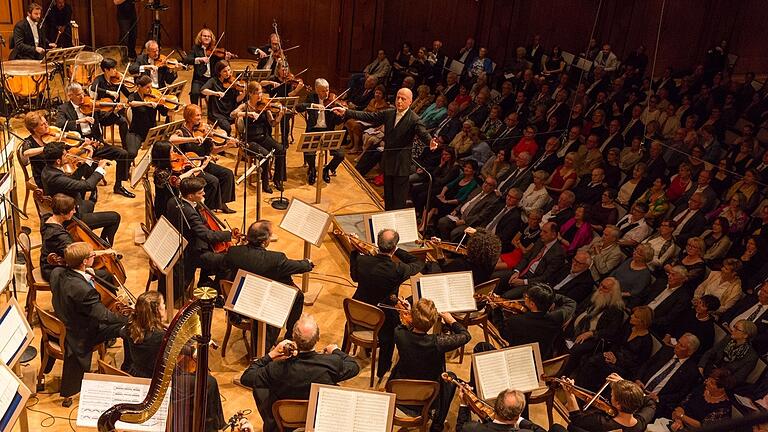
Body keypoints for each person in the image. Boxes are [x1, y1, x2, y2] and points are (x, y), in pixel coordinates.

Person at [240, 315, 360, 432]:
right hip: (318, 417)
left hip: (287, 420)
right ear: (317, 338)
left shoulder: (276, 368)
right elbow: (354, 366)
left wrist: (272, 355)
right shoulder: (332, 363)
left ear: (293, 338)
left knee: (262, 387)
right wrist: (336, 350)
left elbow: (246, 377)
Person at [333, 88, 439, 210]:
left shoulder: (414, 119)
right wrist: (346, 112)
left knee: (398, 201)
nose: (399, 101)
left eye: (403, 99)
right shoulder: (389, 113)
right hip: (388, 161)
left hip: (401, 166)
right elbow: (369, 116)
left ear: (410, 101)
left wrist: (430, 141)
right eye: (398, 97)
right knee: (388, 198)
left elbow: (423, 133)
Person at [50, 242, 128, 406]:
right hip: (83, 332)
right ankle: (128, 369)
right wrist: (130, 318)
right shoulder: (84, 291)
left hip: (68, 318)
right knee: (130, 328)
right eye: (93, 255)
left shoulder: (57, 272)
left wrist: (87, 274)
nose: (95, 257)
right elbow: (104, 316)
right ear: (85, 261)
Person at [349, 228, 424, 381]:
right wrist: (397, 250)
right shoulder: (398, 269)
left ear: (378, 243)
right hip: (382, 316)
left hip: (358, 311)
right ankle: (382, 369)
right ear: (394, 247)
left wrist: (354, 251)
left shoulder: (362, 260)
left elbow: (355, 278)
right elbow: (418, 263)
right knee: (392, 335)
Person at [225, 220, 312, 350]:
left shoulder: (233, 252)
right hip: (260, 305)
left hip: (238, 303)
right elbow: (298, 266)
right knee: (298, 295)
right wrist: (308, 263)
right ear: (265, 241)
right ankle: (289, 336)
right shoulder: (276, 259)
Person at [390, 298, 471, 432]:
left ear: (412, 317)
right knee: (451, 378)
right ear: (433, 322)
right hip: (428, 395)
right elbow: (466, 336)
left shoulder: (399, 334)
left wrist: (410, 312)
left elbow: (407, 326)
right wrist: (451, 320)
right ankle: (437, 425)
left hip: (401, 389)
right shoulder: (439, 342)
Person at [55, 82, 135, 198]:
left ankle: (118, 186)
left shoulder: (91, 105)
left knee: (122, 154)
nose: (82, 97)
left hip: (96, 142)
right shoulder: (64, 108)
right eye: (78, 95)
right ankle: (90, 189)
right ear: (70, 95)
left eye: (82, 93)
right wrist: (80, 121)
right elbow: (60, 124)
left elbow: (105, 120)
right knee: (84, 165)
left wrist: (115, 112)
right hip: (79, 145)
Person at [164, 176, 232, 301]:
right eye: (201, 193)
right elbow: (208, 235)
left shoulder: (173, 201)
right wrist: (229, 234)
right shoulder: (189, 213)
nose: (204, 194)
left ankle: (204, 282)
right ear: (190, 196)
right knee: (228, 261)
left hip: (180, 245)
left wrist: (198, 205)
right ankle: (212, 293)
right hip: (191, 253)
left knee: (215, 254)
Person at [40, 143, 121, 246]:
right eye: (65, 155)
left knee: (90, 204)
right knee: (115, 217)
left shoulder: (48, 169)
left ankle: (87, 236)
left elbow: (71, 180)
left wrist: (88, 159)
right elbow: (88, 185)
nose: (68, 155)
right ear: (58, 161)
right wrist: (100, 169)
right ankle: (105, 247)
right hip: (69, 217)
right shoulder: (55, 178)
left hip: (67, 206)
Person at [169, 104, 236, 213]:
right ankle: (206, 209)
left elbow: (213, 150)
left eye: (200, 115)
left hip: (204, 163)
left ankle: (222, 203)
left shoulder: (202, 130)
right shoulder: (181, 131)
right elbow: (172, 139)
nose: (200, 118)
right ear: (189, 117)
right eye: (197, 115)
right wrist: (192, 139)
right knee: (213, 181)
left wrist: (226, 146)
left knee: (227, 174)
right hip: (191, 166)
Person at [574, 306, 654, 391]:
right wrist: (611, 353)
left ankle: (583, 392)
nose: (631, 316)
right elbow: (616, 342)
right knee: (590, 360)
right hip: (613, 356)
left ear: (642, 322)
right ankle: (577, 388)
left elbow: (638, 363)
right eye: (633, 314)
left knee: (595, 364)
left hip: (625, 367)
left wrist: (617, 361)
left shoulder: (647, 341)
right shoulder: (629, 327)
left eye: (635, 316)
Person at [492, 283, 576, 359]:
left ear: (532, 304)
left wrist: (496, 311)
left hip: (518, 358)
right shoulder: (557, 318)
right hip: (542, 357)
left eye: (526, 297)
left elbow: (503, 334)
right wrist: (547, 296)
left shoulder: (516, 321)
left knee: (483, 346)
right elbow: (571, 303)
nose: (524, 298)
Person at [231, 81, 287, 193]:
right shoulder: (245, 106)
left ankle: (277, 180)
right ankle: (265, 183)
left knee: (281, 149)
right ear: (250, 94)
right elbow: (233, 114)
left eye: (261, 93)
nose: (260, 96)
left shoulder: (265, 106)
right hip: (250, 140)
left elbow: (272, 123)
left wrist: (280, 115)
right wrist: (248, 114)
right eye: (257, 93)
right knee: (265, 155)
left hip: (264, 137)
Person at [551, 374, 656, 432]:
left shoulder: (602, 423)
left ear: (619, 404)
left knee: (556, 428)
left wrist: (569, 393)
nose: (610, 397)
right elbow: (650, 403)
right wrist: (625, 385)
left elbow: (576, 418)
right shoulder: (640, 424)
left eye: (612, 396)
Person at [636, 333, 701, 418]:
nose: (677, 346)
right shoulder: (666, 350)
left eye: (681, 346)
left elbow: (681, 394)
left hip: (655, 402)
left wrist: (658, 398)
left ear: (690, 352)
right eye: (678, 342)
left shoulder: (691, 371)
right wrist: (638, 379)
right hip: (638, 388)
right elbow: (646, 365)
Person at [295, 78, 346, 185]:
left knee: (340, 154)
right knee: (308, 151)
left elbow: (337, 122)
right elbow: (299, 107)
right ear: (317, 90)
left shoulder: (332, 102)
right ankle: (312, 169)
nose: (326, 93)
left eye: (327, 90)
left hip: (328, 132)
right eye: (323, 91)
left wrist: (340, 116)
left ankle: (326, 169)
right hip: (313, 131)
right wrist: (313, 105)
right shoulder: (311, 97)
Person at [698, 319, 758, 387]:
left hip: (721, 383)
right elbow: (710, 352)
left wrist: (715, 381)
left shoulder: (751, 357)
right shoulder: (728, 339)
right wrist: (701, 367)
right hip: (708, 369)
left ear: (745, 335)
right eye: (734, 326)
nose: (733, 330)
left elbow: (737, 379)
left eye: (737, 329)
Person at [120, 291, 166, 378]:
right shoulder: (160, 336)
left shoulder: (130, 327)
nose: (164, 306)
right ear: (157, 310)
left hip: (135, 373)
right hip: (154, 380)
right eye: (163, 304)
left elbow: (121, 332)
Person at [184, 28, 234, 105]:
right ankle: (194, 110)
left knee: (222, 91)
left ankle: (216, 110)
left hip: (213, 78)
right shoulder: (195, 48)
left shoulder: (215, 50)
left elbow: (221, 64)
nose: (207, 38)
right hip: (199, 78)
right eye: (204, 36)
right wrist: (199, 59)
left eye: (209, 36)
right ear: (200, 37)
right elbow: (187, 60)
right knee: (194, 93)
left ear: (211, 38)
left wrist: (226, 58)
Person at [90, 58, 132, 148]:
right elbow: (93, 88)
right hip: (104, 113)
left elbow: (128, 94)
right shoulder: (99, 79)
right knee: (123, 120)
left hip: (116, 111)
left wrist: (137, 90)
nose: (115, 71)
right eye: (113, 68)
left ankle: (126, 145)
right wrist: (109, 92)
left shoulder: (117, 81)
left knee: (125, 120)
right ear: (106, 70)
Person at [459, 388, 547, 432]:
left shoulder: (473, 428)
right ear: (518, 416)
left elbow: (460, 427)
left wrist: (463, 403)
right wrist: (519, 420)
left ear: (496, 406)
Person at [201, 60, 245, 136]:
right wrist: (215, 93)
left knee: (245, 121)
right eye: (224, 71)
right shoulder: (213, 81)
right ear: (219, 72)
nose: (228, 73)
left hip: (230, 111)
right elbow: (203, 90)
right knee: (227, 127)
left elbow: (237, 99)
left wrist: (244, 92)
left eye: (229, 70)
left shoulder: (233, 82)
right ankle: (225, 141)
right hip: (217, 112)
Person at [126, 75, 170, 143]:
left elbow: (164, 113)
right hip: (137, 132)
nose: (150, 90)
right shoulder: (133, 96)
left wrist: (170, 108)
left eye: (151, 87)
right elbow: (131, 103)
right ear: (140, 87)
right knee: (132, 153)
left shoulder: (153, 98)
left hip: (151, 132)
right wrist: (146, 103)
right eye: (147, 87)